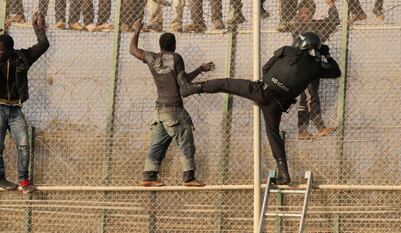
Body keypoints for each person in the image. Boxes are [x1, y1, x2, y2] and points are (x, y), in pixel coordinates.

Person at [178, 32, 341, 184]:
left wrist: (274, 79)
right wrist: (326, 55)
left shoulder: (286, 51)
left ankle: (192, 88)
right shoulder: (316, 67)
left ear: (301, 43)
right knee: (273, 134)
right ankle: (284, 173)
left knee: (225, 84)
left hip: (262, 92)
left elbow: (265, 70)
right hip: (278, 104)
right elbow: (336, 71)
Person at [129, 23, 215, 186]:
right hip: (174, 110)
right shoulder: (176, 58)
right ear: (174, 46)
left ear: (160, 45)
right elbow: (184, 86)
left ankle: (149, 176)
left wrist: (136, 30)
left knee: (157, 144)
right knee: (186, 140)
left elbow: (133, 49)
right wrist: (202, 87)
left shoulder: (152, 58)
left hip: (159, 111)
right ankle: (189, 177)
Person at [0, 13, 50, 193]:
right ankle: (1, 178)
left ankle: (23, 180)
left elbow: (43, 45)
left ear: (9, 49)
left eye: (1, 50)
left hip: (14, 109)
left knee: (24, 144)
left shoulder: (22, 57)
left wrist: (38, 29)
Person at [287, 0, 340, 139]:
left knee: (306, 98)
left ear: (311, 13)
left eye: (306, 12)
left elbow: (334, 22)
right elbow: (294, 25)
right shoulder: (298, 27)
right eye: (301, 12)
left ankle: (302, 131)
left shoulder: (317, 26)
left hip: (313, 66)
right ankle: (319, 126)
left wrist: (331, 5)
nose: (302, 15)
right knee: (311, 95)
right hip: (303, 67)